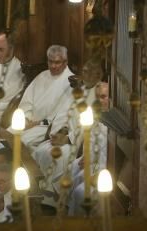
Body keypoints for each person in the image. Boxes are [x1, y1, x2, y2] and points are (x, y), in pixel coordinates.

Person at [32, 62, 103, 208]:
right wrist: (60, 131)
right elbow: (64, 114)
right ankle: (47, 197)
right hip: (65, 136)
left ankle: (59, 202)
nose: (86, 76)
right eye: (85, 72)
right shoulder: (79, 92)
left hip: (78, 143)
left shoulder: (101, 95)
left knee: (58, 155)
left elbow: (91, 124)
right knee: (42, 150)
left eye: (90, 73)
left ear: (98, 75)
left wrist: (68, 138)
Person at [10, 45, 75, 151]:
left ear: (65, 62)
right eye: (50, 62)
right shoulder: (42, 76)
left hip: (46, 127)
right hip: (27, 122)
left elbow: (62, 116)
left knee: (22, 141)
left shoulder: (71, 82)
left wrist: (38, 123)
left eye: (57, 62)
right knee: (6, 135)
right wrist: (25, 119)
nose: (53, 66)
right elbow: (27, 102)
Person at [69, 82, 111, 215]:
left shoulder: (114, 122)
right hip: (94, 163)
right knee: (72, 170)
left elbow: (109, 153)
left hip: (106, 169)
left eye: (103, 97)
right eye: (98, 97)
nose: (100, 101)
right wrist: (86, 156)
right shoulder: (95, 117)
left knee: (80, 192)